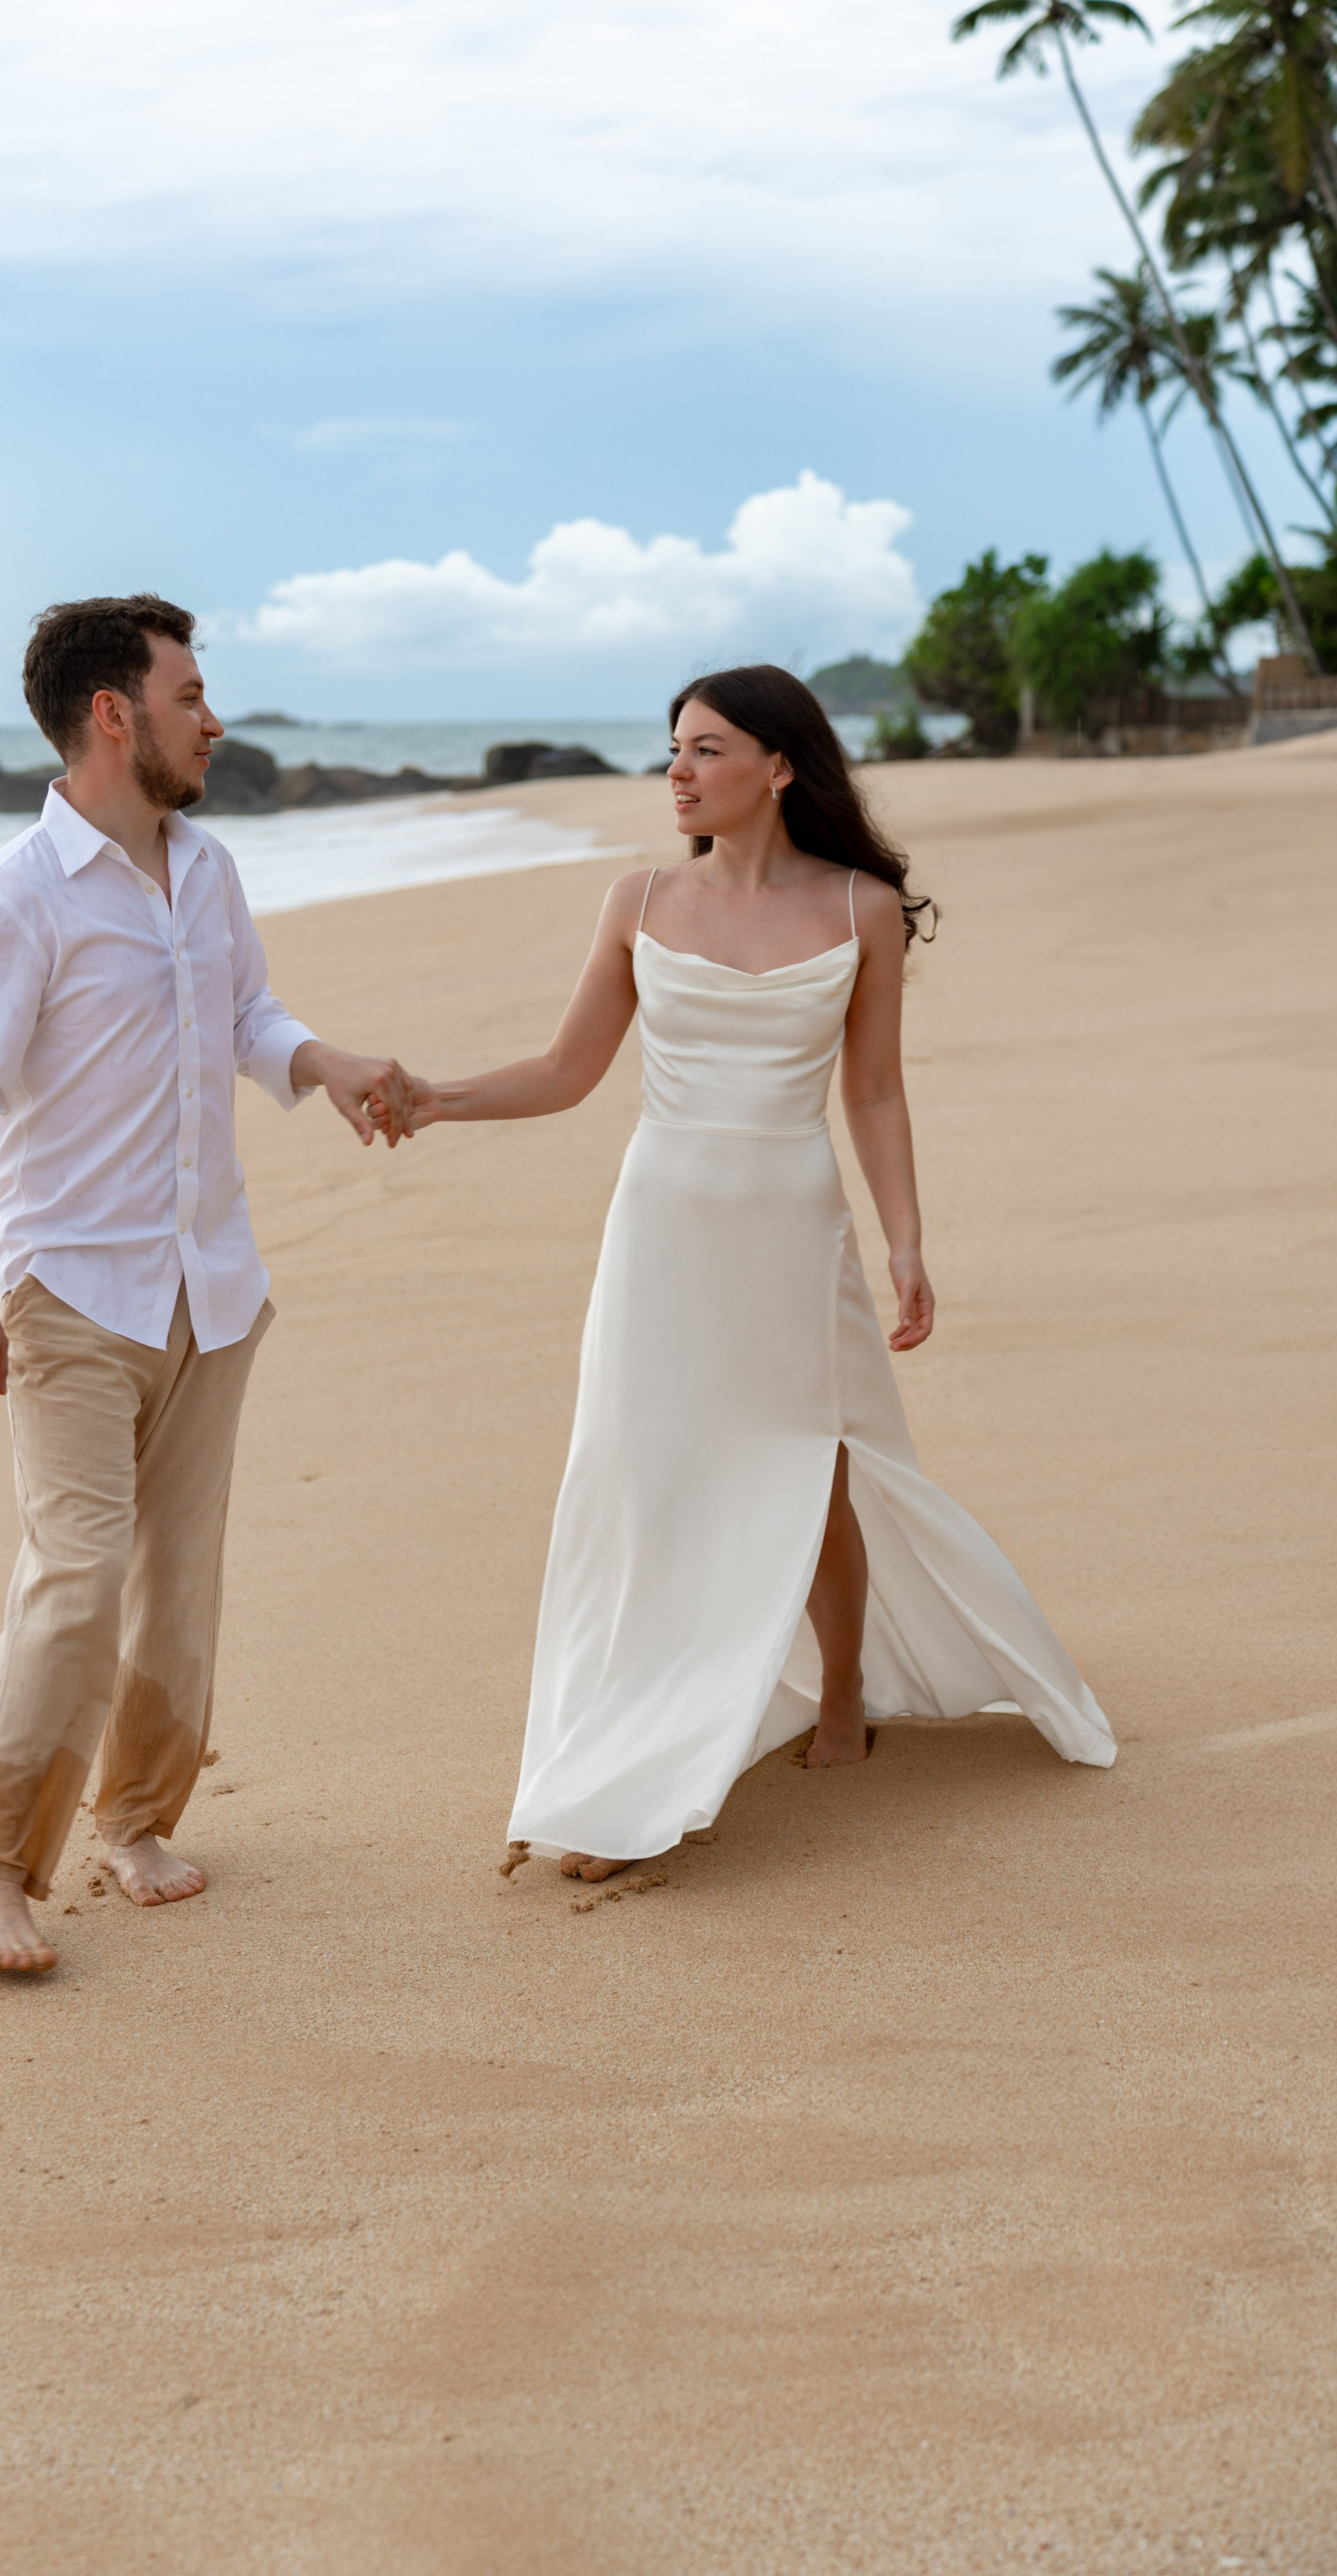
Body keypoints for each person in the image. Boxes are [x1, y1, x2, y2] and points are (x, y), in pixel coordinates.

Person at [405, 663, 1115, 1884]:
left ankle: (842, 1687)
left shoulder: (861, 910)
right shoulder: (637, 899)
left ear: (778, 767)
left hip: (792, 1228)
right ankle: (622, 1756)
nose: (677, 770)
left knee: (810, 1468)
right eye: (672, 749)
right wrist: (433, 1100)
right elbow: (569, 1070)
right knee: (636, 1470)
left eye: (706, 749)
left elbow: (875, 1089)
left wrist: (905, 1238)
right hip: (662, 1232)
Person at [0, 594, 413, 1973]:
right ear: (113, 714)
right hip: (70, 1291)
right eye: (191, 693)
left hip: (212, 1283)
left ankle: (134, 1819)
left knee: (177, 1583)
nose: (215, 716)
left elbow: (248, 1013)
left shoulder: (207, 869)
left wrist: (329, 1064)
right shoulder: (11, 897)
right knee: (76, 1574)